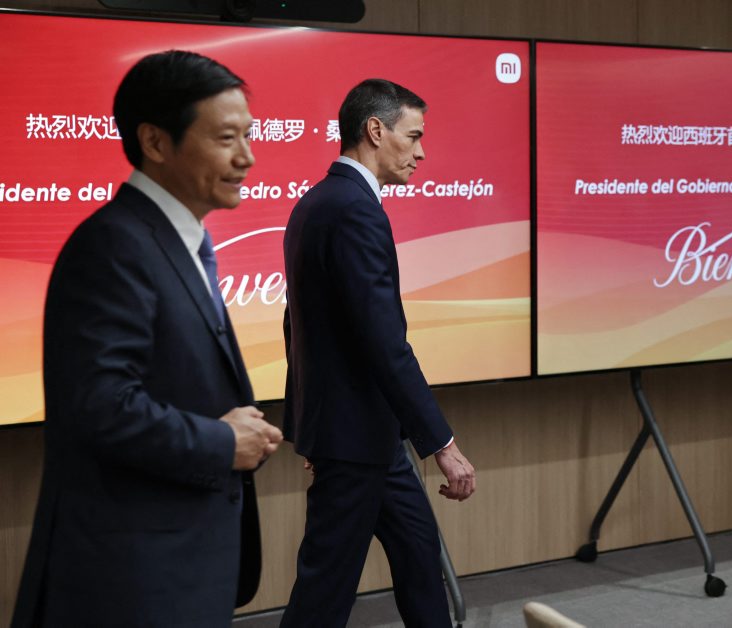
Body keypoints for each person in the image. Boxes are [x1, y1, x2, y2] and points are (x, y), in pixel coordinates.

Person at [11, 50, 283, 628]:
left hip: (180, 564)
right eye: (226, 138)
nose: (247, 157)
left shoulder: (178, 240)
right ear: (156, 142)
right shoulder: (114, 245)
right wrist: (221, 442)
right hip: (130, 581)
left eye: (249, 135)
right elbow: (100, 407)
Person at [281, 78, 476, 627]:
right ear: (374, 130)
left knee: (419, 554)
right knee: (324, 591)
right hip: (353, 441)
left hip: (368, 434)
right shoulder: (353, 209)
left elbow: (297, 324)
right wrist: (442, 444)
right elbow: (384, 343)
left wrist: (311, 424)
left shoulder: (317, 202)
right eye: (413, 136)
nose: (421, 152)